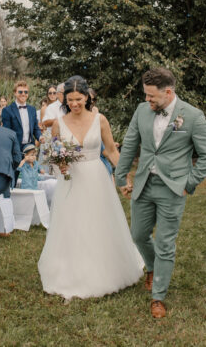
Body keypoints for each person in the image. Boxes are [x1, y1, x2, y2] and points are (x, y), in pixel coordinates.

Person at [115, 68, 206, 318]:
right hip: (143, 183)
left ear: (168, 92)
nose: (147, 99)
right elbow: (130, 144)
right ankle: (152, 267)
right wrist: (121, 176)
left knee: (165, 243)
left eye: (151, 96)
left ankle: (158, 296)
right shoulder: (141, 110)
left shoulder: (192, 116)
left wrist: (189, 183)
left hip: (173, 187)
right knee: (138, 235)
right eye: (146, 94)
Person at [39, 76, 145, 304]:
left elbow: (111, 151)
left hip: (96, 178)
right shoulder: (58, 123)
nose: (74, 104)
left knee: (98, 222)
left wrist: (124, 177)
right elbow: (54, 155)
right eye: (70, 100)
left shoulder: (100, 120)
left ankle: (104, 270)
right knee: (72, 224)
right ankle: (70, 272)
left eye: (78, 99)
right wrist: (60, 164)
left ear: (87, 97)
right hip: (71, 181)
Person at [2, 80, 42, 151]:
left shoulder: (32, 109)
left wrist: (40, 137)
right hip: (15, 148)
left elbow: (35, 128)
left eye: (26, 92)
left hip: (30, 147)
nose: (23, 94)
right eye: (20, 92)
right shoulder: (7, 110)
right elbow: (7, 132)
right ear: (15, 93)